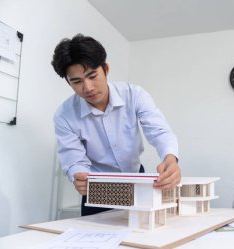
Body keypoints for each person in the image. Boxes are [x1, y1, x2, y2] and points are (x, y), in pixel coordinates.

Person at [51, 34, 180, 216]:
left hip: (136, 179)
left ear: (106, 69)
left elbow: (159, 131)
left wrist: (170, 158)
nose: (87, 88)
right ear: (68, 82)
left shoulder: (134, 95)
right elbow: (74, 160)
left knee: (142, 233)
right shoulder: (64, 115)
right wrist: (78, 176)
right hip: (96, 187)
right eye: (77, 81)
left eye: (92, 76)